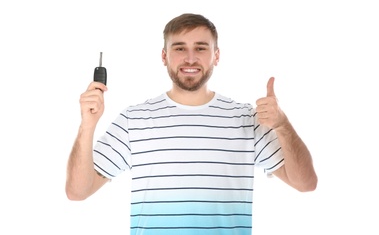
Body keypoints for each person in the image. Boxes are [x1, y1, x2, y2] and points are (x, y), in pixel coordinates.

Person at [65, 13, 318, 235]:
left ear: (216, 56)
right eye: (179, 48)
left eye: (200, 48)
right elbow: (77, 192)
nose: (189, 58)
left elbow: (306, 183)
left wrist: (282, 124)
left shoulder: (246, 119)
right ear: (164, 56)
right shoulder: (134, 119)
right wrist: (87, 125)